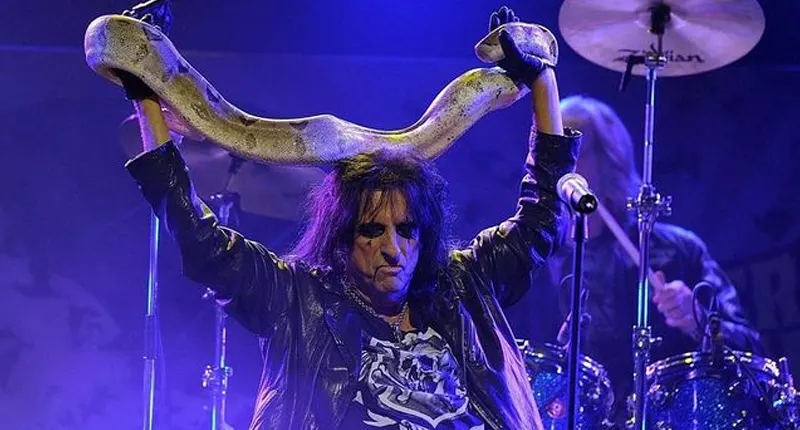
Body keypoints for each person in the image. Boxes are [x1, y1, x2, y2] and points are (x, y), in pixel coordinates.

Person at [116, 6, 582, 430]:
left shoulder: (464, 285)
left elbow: (542, 211)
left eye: (407, 231)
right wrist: (146, 86)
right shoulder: (298, 299)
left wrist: (539, 74)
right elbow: (200, 239)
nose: (392, 249)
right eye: (372, 231)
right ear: (340, 239)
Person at [505, 94, 764, 427]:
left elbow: (752, 352)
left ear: (611, 160)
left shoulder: (679, 250)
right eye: (551, 152)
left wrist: (699, 320)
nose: (562, 164)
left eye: (575, 149)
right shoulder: (535, 257)